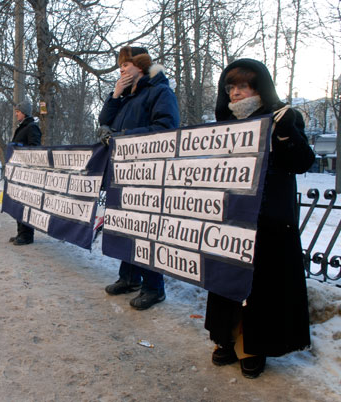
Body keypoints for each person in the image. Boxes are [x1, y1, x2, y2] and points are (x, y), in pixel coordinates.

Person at [204, 59, 314, 379]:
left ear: (259, 87)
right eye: (230, 87)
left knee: (261, 285)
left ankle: (253, 345)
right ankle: (226, 337)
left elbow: (303, 161)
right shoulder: (224, 123)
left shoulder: (283, 117)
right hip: (230, 216)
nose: (235, 93)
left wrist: (286, 131)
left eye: (244, 85)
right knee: (228, 280)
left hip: (269, 219)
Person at [98, 46, 180, 310]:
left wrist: (122, 139)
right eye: (120, 65)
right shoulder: (127, 97)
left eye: (126, 64)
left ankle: (154, 287)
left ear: (141, 66)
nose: (121, 69)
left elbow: (166, 129)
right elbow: (105, 120)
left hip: (148, 175)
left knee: (145, 231)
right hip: (123, 174)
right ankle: (129, 277)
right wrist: (116, 94)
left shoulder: (160, 92)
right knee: (126, 227)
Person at [8, 100, 42, 245]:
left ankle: (27, 235)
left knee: (26, 204)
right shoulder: (23, 126)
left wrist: (23, 149)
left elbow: (36, 149)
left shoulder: (32, 127)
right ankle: (20, 232)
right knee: (18, 202)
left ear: (24, 112)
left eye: (18, 112)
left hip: (27, 172)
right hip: (19, 171)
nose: (16, 114)